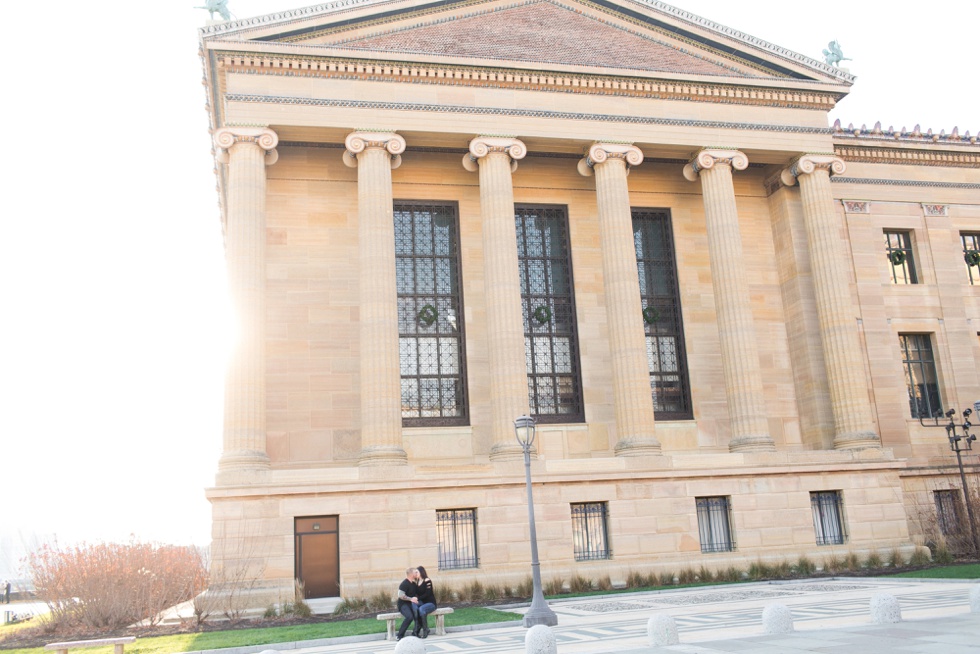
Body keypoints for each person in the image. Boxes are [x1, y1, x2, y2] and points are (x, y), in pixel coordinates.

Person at [395, 567, 419, 640]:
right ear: (411, 574)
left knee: (418, 614)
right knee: (409, 617)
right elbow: (400, 595)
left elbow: (416, 594)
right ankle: (399, 635)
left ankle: (415, 633)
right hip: (403, 604)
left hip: (411, 604)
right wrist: (411, 599)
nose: (417, 573)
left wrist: (416, 599)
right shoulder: (404, 583)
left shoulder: (414, 584)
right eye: (415, 572)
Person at [415, 565, 437, 639]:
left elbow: (428, 594)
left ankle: (425, 630)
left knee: (421, 609)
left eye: (417, 572)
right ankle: (417, 629)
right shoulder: (417, 582)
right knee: (415, 608)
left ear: (421, 572)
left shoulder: (427, 580)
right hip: (423, 603)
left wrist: (418, 598)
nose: (415, 573)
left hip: (431, 603)